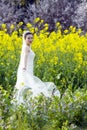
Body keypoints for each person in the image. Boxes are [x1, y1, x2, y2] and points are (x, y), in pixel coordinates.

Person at [13, 31, 60, 105]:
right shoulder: (26, 47)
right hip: (26, 69)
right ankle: (27, 103)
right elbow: (24, 57)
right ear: (24, 39)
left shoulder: (28, 47)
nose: (30, 40)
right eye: (28, 38)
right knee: (29, 85)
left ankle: (28, 103)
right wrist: (24, 68)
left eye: (32, 38)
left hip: (29, 69)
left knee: (28, 85)